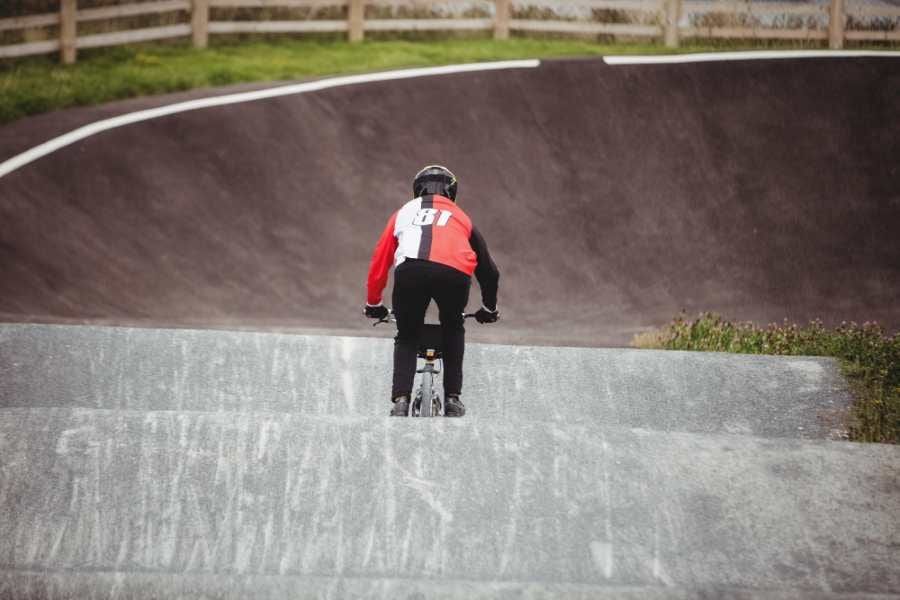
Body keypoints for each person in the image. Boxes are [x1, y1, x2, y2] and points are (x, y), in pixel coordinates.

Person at [364, 165, 500, 417]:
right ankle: (452, 399)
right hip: (455, 273)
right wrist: (489, 308)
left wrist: (374, 303)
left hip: (411, 271)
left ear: (417, 190)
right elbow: (489, 271)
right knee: (452, 326)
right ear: (451, 192)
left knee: (407, 333)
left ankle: (401, 400)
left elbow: (379, 261)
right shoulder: (461, 217)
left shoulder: (404, 212)